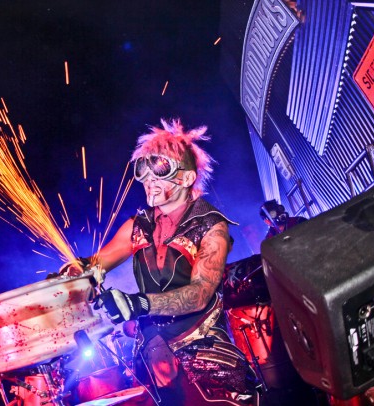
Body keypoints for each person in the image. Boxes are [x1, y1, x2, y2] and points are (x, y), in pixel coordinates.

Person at [61, 118, 258, 405]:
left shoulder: (211, 227)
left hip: (209, 363)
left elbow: (200, 294)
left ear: (187, 178)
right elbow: (96, 264)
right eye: (143, 169)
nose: (149, 180)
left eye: (160, 169)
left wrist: (139, 304)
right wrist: (77, 272)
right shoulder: (137, 226)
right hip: (156, 363)